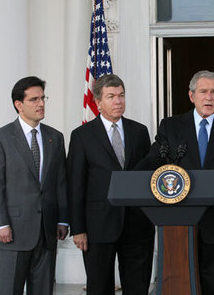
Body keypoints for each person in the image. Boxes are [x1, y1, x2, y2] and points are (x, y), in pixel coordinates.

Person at [137, 70, 214, 295]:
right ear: (191, 96)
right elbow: (154, 158)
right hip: (179, 219)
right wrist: (133, 178)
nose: (209, 97)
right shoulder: (171, 126)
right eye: (203, 91)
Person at [67, 74, 154, 295]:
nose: (118, 101)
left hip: (137, 224)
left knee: (137, 286)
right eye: (111, 96)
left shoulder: (140, 131)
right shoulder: (82, 136)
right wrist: (78, 229)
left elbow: (147, 176)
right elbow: (75, 184)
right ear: (97, 102)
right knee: (99, 286)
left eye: (121, 95)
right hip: (98, 226)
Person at [0, 76, 68, 295]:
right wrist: (0, 223)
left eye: (43, 98)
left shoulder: (55, 138)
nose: (41, 104)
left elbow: (60, 181)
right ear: (18, 105)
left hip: (47, 231)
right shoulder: (0, 138)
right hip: (13, 231)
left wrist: (62, 218)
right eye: (34, 99)